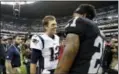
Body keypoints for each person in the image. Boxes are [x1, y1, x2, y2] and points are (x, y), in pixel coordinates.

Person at [55, 4, 105, 74]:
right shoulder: (101, 33)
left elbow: (69, 54)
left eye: (74, 15)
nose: (73, 17)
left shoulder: (79, 21)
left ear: (84, 15)